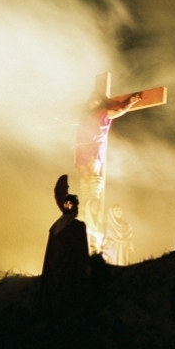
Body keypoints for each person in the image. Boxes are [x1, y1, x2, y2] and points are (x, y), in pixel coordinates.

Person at [74, 90, 140, 250]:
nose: (92, 101)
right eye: (91, 98)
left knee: (93, 176)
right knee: (83, 179)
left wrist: (129, 102)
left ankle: (93, 209)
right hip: (81, 146)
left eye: (96, 99)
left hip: (95, 146)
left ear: (100, 102)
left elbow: (118, 111)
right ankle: (85, 209)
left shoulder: (103, 113)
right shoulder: (85, 116)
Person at [40, 174, 90, 318]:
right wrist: (86, 265)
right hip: (69, 271)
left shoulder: (56, 226)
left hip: (54, 273)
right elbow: (81, 249)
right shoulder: (77, 226)